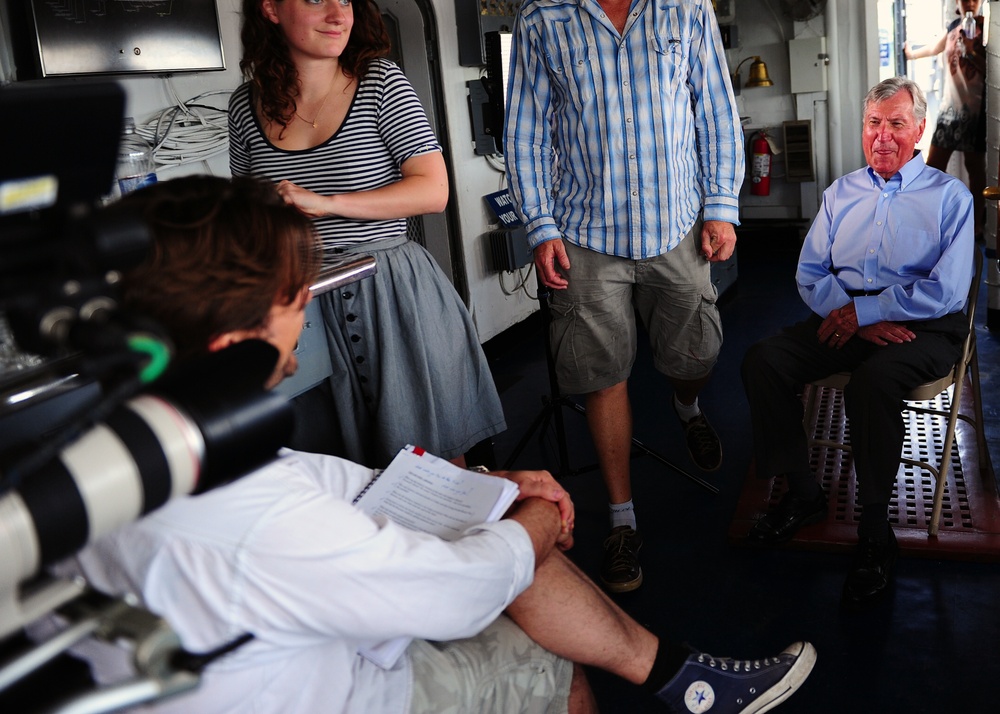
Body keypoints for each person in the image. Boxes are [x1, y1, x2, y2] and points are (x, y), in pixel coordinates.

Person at [51, 175, 816, 714]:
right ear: (234, 342)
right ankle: (682, 682)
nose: (303, 317)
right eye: (293, 301)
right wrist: (535, 525)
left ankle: (679, 677)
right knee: (536, 648)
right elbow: (457, 591)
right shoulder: (256, 517)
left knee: (482, 520)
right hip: (347, 695)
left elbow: (305, 479)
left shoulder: (94, 454)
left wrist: (475, 480)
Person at [504, 0, 744, 592]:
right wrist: (540, 226)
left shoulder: (685, 8)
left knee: (696, 356)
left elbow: (713, 108)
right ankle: (621, 519)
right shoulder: (542, 18)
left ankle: (686, 407)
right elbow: (527, 129)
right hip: (586, 232)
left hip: (677, 223)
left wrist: (721, 207)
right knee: (601, 375)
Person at [229, 0, 505, 468]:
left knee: (429, 459)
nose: (339, 14)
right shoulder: (244, 105)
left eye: (347, 1)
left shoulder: (381, 83)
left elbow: (432, 190)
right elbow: (245, 216)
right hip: (302, 303)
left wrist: (328, 204)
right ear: (271, 9)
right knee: (337, 465)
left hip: (390, 291)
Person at [741, 77, 975, 608]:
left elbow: (947, 291)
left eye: (896, 124)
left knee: (872, 382)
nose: (883, 136)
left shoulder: (949, 198)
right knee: (764, 360)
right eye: (874, 124)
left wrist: (868, 311)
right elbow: (809, 273)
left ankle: (874, 531)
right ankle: (803, 493)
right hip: (847, 316)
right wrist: (857, 317)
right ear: (862, 129)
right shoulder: (839, 192)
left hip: (925, 324)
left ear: (918, 130)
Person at [904, 0, 987, 238]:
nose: (970, 1)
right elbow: (935, 48)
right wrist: (911, 55)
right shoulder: (953, 26)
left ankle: (976, 225)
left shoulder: (987, 28)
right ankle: (928, 218)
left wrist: (971, 51)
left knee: (975, 168)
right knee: (933, 166)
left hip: (974, 108)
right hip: (949, 108)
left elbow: (993, 69)